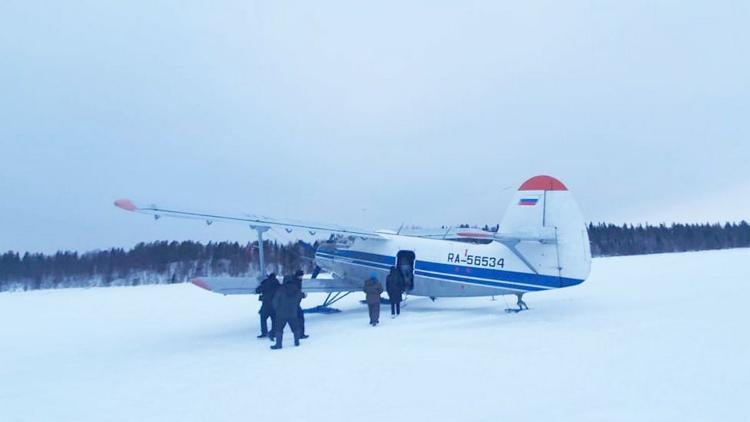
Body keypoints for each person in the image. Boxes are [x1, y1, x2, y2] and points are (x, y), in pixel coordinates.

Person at [270, 277, 305, 350]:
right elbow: (300, 297)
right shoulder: (296, 289)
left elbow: (275, 301)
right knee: (295, 328)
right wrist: (295, 306)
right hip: (293, 313)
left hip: (281, 313)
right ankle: (297, 342)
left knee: (279, 329)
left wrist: (277, 309)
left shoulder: (280, 290)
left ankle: (278, 344)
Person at [255, 273, 280, 339]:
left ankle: (264, 333)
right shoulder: (277, 283)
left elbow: (257, 290)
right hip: (275, 304)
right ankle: (274, 332)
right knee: (274, 319)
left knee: (263, 319)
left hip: (266, 304)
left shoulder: (265, 283)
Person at [290, 269, 309, 339]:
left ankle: (299, 334)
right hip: (295, 304)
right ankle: (300, 334)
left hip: (293, 304)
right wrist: (303, 295)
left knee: (293, 320)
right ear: (299, 276)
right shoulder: (296, 282)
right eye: (301, 276)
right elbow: (296, 293)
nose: (302, 277)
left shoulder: (293, 281)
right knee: (300, 319)